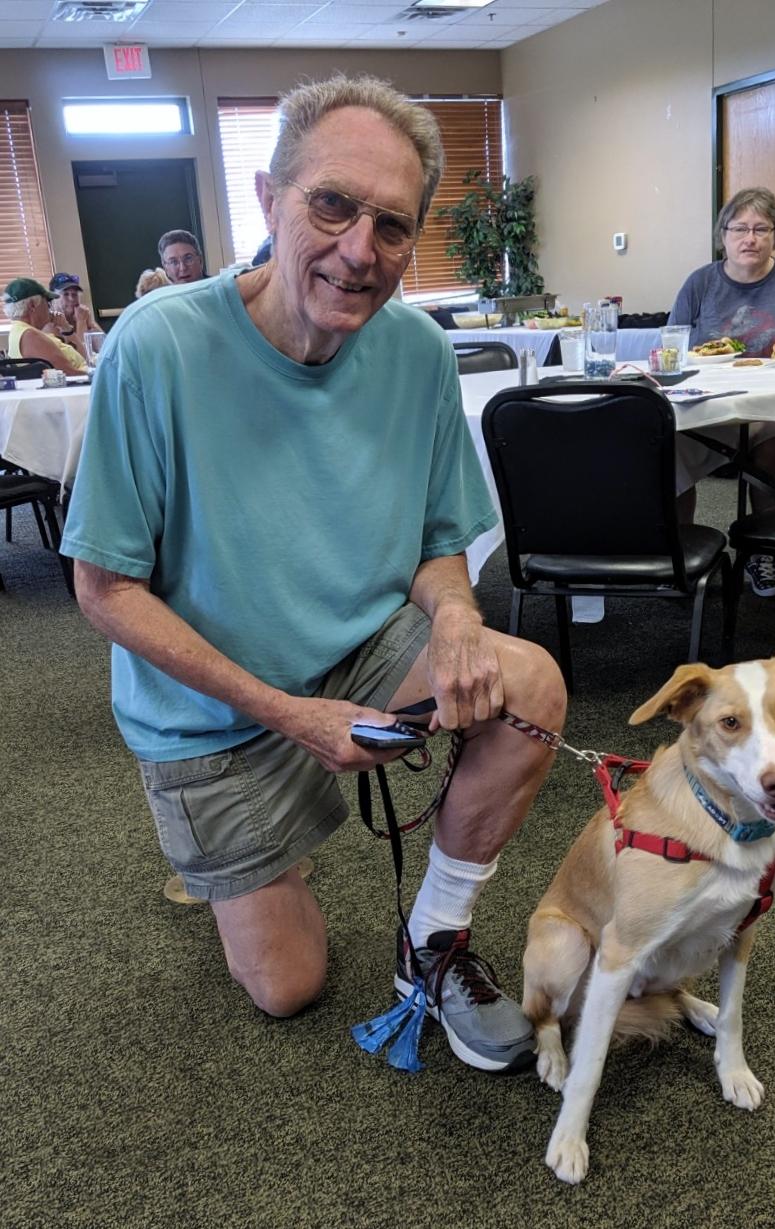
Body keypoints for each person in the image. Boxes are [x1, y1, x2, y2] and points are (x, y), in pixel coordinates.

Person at [60, 74, 566, 1073]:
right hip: (211, 712)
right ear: (268, 199)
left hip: (362, 647)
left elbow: (437, 540)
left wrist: (456, 619)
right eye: (332, 204)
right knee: (288, 985)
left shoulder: (417, 350)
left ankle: (432, 941)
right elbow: (103, 589)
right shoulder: (157, 347)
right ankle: (228, 856)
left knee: (531, 687)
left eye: (392, 225)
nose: (359, 249)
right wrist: (291, 716)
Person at [669, 187, 775, 598]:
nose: (750, 238)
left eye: (761, 229)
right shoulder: (700, 283)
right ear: (723, 235)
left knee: (774, 437)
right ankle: (681, 553)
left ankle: (765, 554)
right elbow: (670, 351)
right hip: (710, 407)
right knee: (669, 443)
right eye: (739, 229)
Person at [2, 277, 87, 373]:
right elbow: (69, 374)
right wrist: (95, 374)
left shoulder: (22, 330)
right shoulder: (31, 337)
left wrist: (66, 328)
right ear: (32, 305)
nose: (49, 309)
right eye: (48, 303)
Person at [46, 272, 103, 350]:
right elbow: (78, 355)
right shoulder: (49, 322)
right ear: (53, 298)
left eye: (74, 294)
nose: (71, 299)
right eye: (66, 294)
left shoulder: (81, 315)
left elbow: (106, 348)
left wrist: (90, 323)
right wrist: (81, 322)